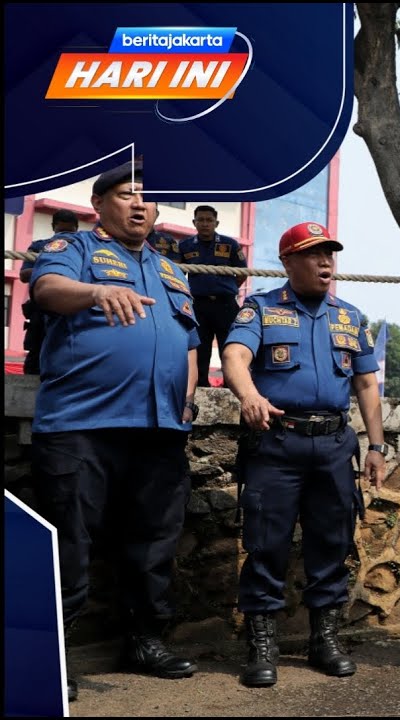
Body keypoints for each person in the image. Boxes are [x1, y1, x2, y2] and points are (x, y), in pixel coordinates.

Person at [28, 161, 201, 702]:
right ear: (99, 204)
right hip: (82, 425)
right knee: (68, 545)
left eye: (147, 197)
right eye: (127, 194)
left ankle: (145, 641)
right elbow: (47, 290)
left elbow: (189, 344)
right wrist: (95, 293)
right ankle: (48, 655)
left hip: (159, 429)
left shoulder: (173, 270)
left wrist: (187, 398)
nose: (140, 204)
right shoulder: (73, 249)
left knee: (153, 542)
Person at [221, 221, 387, 688]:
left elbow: (366, 383)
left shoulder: (350, 317)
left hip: (334, 446)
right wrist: (249, 396)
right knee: (266, 544)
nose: (325, 262)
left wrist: (376, 446)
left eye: (329, 253)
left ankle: (325, 640)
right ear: (288, 261)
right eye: (314, 254)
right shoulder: (261, 308)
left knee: (332, 543)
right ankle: (261, 645)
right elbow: (234, 357)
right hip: (277, 442)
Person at [178, 205, 248, 387]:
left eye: (209, 220)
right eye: (200, 220)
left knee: (229, 346)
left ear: (216, 223)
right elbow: (178, 275)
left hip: (225, 305)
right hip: (199, 305)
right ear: (194, 222)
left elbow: (242, 273)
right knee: (200, 347)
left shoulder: (230, 244)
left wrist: (226, 288)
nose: (205, 224)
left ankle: (231, 385)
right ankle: (201, 386)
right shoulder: (184, 246)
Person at [20, 208, 80, 375]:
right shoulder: (40, 246)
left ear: (76, 229)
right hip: (42, 308)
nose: (64, 236)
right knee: (35, 355)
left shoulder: (84, 248)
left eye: (68, 232)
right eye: (61, 232)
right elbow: (24, 275)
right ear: (54, 228)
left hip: (74, 307)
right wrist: (53, 268)